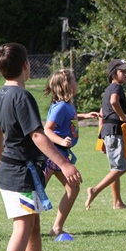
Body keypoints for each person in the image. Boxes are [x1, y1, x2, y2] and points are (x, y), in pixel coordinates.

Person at [0, 43, 82, 251]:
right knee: (23, 226)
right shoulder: (22, 97)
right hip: (20, 171)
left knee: (33, 226)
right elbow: (38, 135)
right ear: (25, 66)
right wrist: (64, 164)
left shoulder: (0, 95)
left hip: (15, 168)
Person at [43, 69, 99, 236]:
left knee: (73, 189)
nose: (77, 83)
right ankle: (26, 227)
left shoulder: (67, 106)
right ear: (66, 85)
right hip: (52, 154)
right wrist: (61, 141)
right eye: (74, 80)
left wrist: (85, 115)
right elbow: (47, 129)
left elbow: (70, 118)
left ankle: (56, 228)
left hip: (61, 154)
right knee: (37, 192)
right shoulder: (60, 107)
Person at [85, 59, 126, 210]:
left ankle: (117, 202)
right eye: (122, 71)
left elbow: (101, 113)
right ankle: (95, 190)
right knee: (121, 168)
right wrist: (122, 116)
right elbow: (114, 102)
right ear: (113, 74)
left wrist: (101, 138)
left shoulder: (108, 89)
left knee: (115, 167)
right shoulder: (116, 88)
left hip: (108, 131)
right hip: (115, 129)